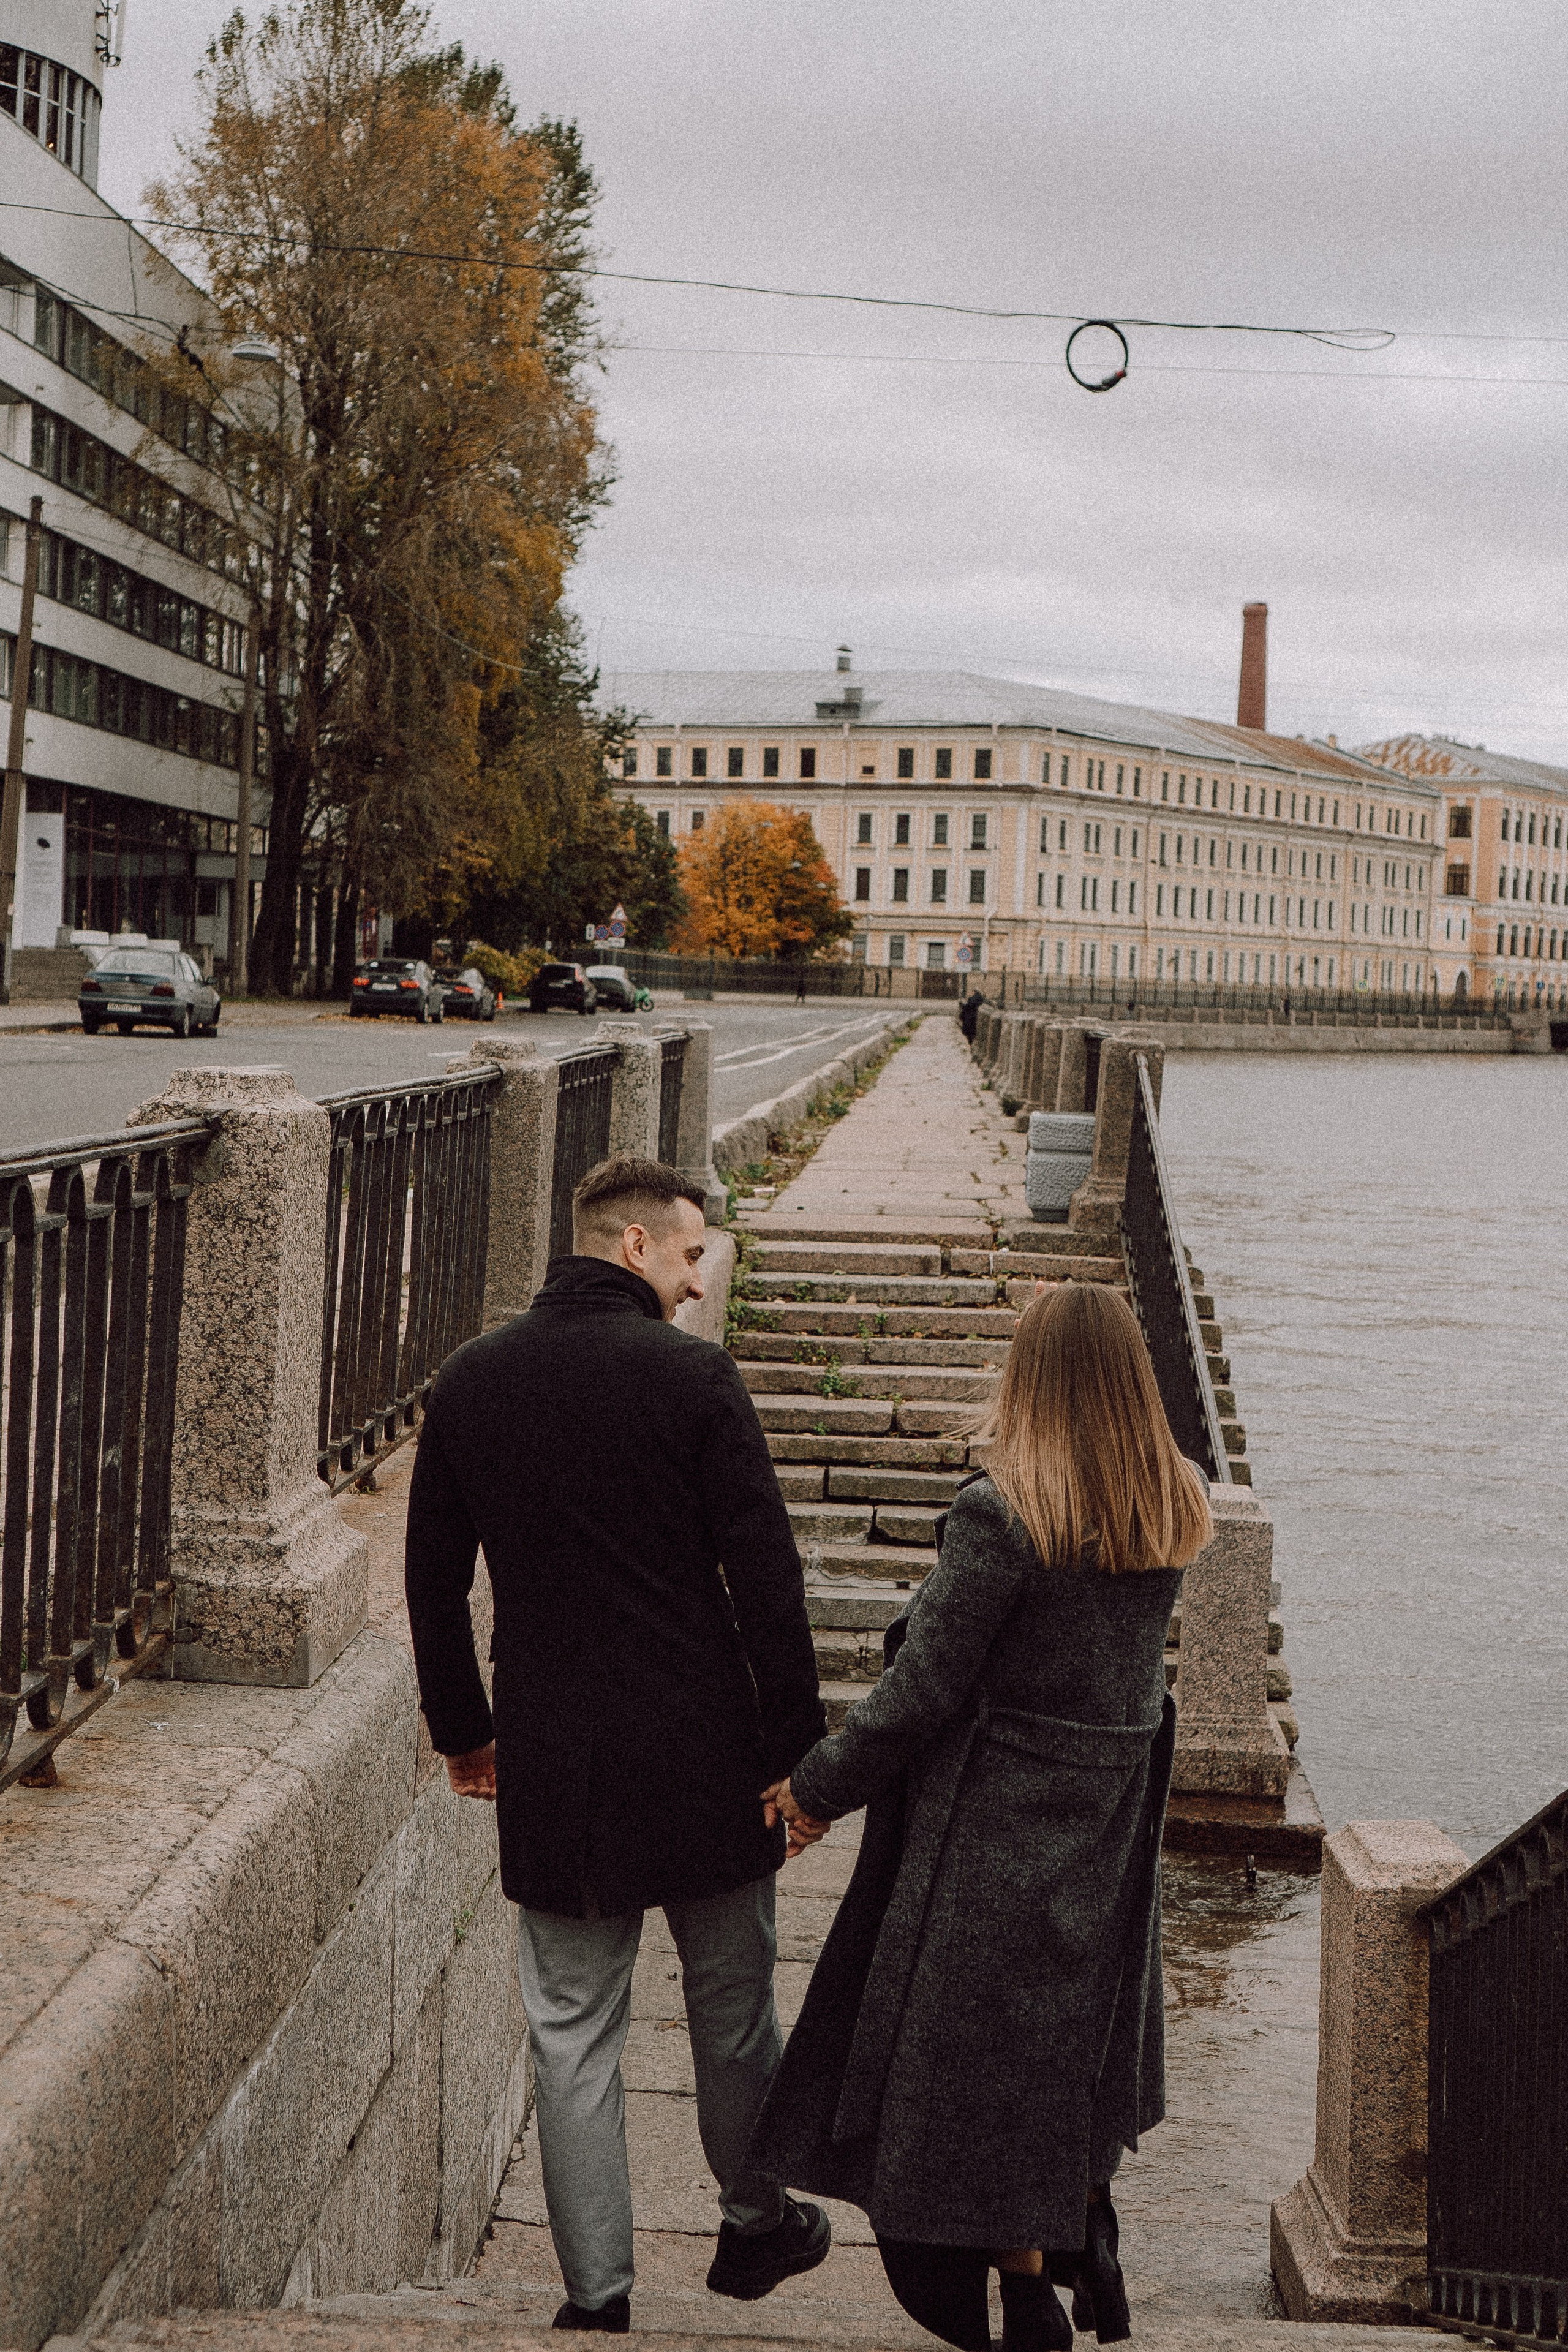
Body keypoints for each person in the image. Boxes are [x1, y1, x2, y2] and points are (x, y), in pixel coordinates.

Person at [404, 1154, 832, 2334]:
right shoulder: (697, 1381)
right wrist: (803, 1764)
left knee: (571, 2032)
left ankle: (596, 2299)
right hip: (708, 1754)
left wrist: (466, 1733)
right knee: (734, 2011)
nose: (701, 1283)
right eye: (692, 1255)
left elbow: (434, 1584)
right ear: (633, 1248)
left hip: (556, 1761)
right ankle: (754, 2226)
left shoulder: (471, 1381)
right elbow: (769, 1589)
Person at [747, 1281, 1213, 2352]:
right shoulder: (1175, 1500)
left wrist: (815, 1791)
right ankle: (1060, 2249)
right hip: (1102, 1831)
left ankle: (1025, 2298)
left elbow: (923, 1693)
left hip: (993, 1834)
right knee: (1049, 2057)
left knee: (954, 2077)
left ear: (1031, 1377)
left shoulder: (1001, 1514)